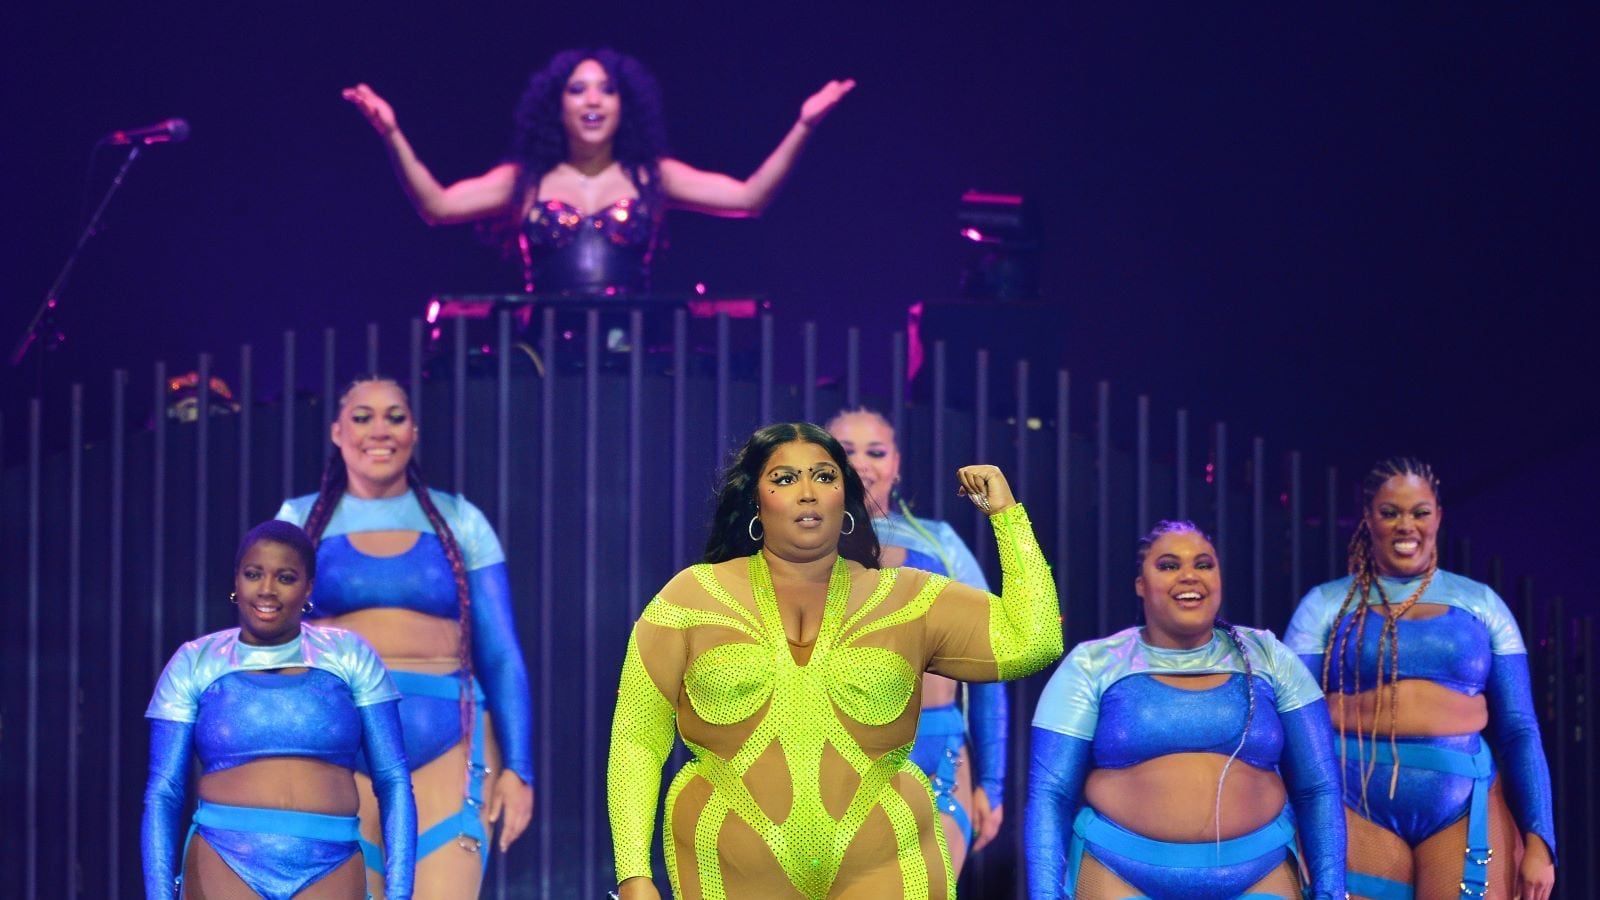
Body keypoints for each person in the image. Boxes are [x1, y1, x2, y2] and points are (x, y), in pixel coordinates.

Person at [606, 422, 1061, 899]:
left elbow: (1033, 640)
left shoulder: (905, 596)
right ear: (755, 502)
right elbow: (636, 740)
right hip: (730, 869)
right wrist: (634, 874)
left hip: (887, 865)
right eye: (784, 479)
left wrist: (1007, 517)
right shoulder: (690, 598)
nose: (807, 493)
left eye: (824, 477)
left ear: (845, 498)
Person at [276, 375, 533, 899]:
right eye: (362, 416)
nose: (380, 430)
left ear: (414, 431)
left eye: (394, 416)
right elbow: (265, 646)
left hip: (450, 752)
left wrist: (520, 770)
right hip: (336, 752)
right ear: (336, 432)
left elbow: (501, 653)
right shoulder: (297, 521)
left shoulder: (461, 520)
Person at [343, 48, 854, 294]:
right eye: (578, 89)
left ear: (622, 106)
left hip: (636, 346)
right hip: (539, 350)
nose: (593, 99)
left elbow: (749, 198)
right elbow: (437, 206)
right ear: (556, 106)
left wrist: (804, 125)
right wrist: (391, 133)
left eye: (606, 89)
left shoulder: (653, 176)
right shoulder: (524, 180)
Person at [1282, 457, 1556, 900]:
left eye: (1419, 512)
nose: (1405, 525)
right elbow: (1295, 728)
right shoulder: (1324, 606)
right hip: (1353, 806)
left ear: (1438, 518)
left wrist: (1541, 841)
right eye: (1390, 512)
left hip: (1463, 807)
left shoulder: (1482, 604)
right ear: (1368, 519)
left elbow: (1520, 729)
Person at [1026, 521, 1345, 900]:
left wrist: (1330, 892)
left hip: (1260, 872)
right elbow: (1050, 794)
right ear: (1140, 584)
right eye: (1168, 565)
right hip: (1119, 871)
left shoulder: (1270, 657)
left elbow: (1317, 788)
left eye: (1204, 564)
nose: (1189, 576)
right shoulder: (1092, 664)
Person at [142, 520, 416, 899]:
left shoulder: (349, 656)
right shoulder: (195, 661)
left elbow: (393, 779)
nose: (267, 590)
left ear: (308, 587)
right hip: (225, 859)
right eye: (254, 574)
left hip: (331, 863)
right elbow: (165, 792)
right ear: (237, 581)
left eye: (285, 577)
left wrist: (400, 893)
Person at [827, 408, 1008, 874]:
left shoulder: (942, 544)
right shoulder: (794, 545)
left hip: (938, 755)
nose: (862, 462)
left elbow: (990, 660)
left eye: (876, 451)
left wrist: (993, 781)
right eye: (846, 450)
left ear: (896, 463)